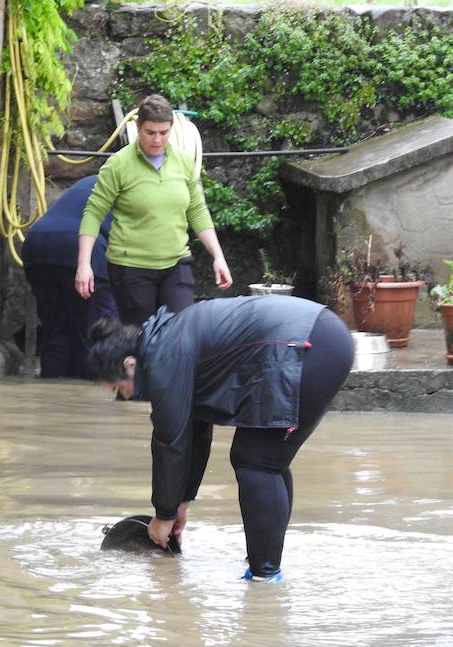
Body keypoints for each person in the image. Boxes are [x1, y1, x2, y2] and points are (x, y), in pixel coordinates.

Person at [86, 295, 354, 582]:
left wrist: (163, 516)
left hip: (308, 344)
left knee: (257, 460)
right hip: (317, 335)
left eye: (117, 387)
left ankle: (265, 577)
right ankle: (265, 561)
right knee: (265, 458)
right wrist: (180, 503)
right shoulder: (166, 343)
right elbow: (195, 432)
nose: (122, 396)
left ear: (129, 364)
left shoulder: (164, 359)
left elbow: (170, 442)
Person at [75, 94, 232, 325]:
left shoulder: (183, 162)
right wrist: (84, 265)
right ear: (138, 128)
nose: (157, 140)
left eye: (164, 132)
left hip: (176, 263)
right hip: (131, 268)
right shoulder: (118, 164)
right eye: (150, 132)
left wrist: (218, 257)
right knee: (142, 338)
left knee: (179, 332)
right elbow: (93, 213)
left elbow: (197, 211)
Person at [22, 175, 118, 378]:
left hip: (36, 244)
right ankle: (86, 392)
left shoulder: (88, 181)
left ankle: (52, 386)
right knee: (93, 332)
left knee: (54, 330)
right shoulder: (130, 184)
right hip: (80, 249)